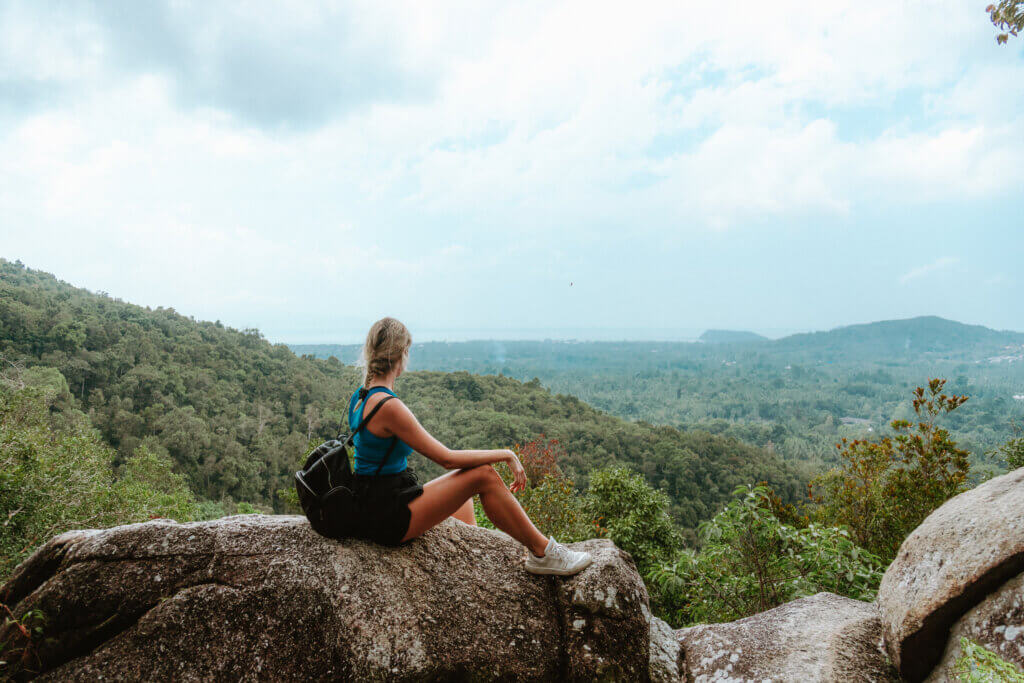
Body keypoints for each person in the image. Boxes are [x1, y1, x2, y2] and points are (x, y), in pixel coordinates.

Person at [346, 316, 593, 576]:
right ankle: (543, 552)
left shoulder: (360, 397)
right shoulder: (389, 407)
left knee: (463, 502)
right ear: (403, 354)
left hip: (373, 503)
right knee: (483, 476)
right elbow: (447, 459)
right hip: (388, 516)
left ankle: (474, 569)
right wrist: (505, 454)